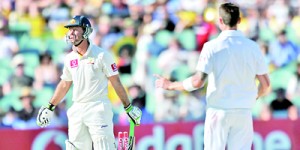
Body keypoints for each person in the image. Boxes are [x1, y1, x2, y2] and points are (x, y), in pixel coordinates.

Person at [154, 2, 270, 150]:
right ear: (239, 20)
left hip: (218, 110)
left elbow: (197, 82)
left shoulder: (211, 46)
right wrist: (253, 97)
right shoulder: (253, 47)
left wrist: (171, 85)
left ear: (220, 21)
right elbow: (265, 84)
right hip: (243, 111)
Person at [36, 15, 142, 150]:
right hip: (77, 108)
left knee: (104, 147)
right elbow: (64, 84)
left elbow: (116, 83)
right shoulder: (69, 58)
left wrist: (128, 107)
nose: (71, 33)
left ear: (86, 31)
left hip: (98, 107)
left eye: (75, 29)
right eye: (69, 30)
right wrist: (50, 107)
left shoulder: (102, 55)